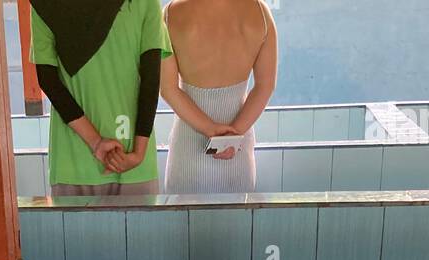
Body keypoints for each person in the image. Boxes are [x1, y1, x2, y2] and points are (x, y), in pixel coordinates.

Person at [31, 0, 171, 196]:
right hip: (131, 154)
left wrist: (95, 142)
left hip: (73, 157)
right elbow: (150, 80)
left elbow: (48, 80)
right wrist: (138, 154)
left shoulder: (45, 5)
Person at [161, 0, 277, 194]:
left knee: (185, 223)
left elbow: (168, 89)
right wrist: (233, 135)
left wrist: (211, 130)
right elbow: (265, 86)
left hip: (188, 149)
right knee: (236, 222)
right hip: (238, 152)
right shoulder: (260, 12)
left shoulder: (171, 14)